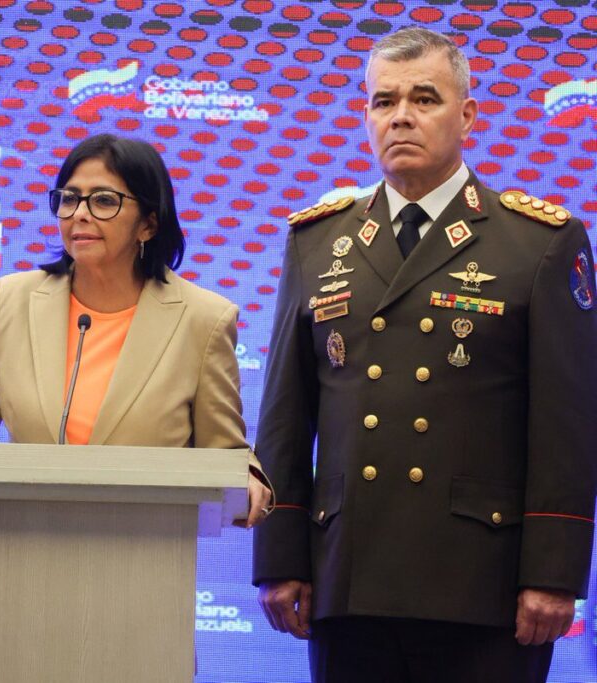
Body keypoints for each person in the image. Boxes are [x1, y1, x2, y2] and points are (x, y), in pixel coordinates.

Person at [252, 26, 597, 683]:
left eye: (424, 98)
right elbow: (285, 418)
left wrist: (553, 573)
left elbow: (567, 427)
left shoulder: (538, 242)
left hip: (482, 585)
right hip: (348, 577)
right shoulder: (318, 240)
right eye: (383, 102)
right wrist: (280, 556)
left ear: (467, 114)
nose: (401, 115)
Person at [0, 133, 271, 524]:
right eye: (69, 199)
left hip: (145, 556)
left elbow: (224, 455)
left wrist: (246, 477)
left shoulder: (202, 320)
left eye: (103, 200)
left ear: (148, 225)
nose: (79, 214)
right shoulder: (11, 302)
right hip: (20, 549)